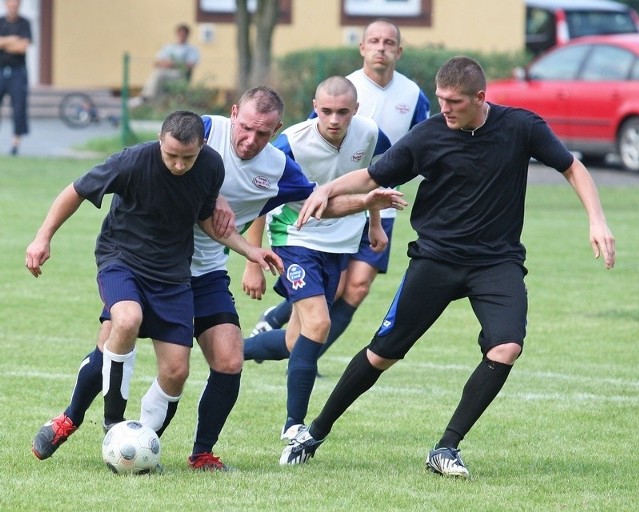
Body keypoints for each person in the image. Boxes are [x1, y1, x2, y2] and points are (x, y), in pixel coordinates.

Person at [29, 90, 403, 471]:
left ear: (277, 130)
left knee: (226, 359)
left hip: (204, 270)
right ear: (233, 114)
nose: (250, 140)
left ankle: (189, 451)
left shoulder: (277, 166)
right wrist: (215, 194)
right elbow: (177, 153)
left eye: (263, 133)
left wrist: (365, 203)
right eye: (245, 128)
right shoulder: (203, 132)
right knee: (113, 338)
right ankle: (70, 418)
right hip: (142, 261)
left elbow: (317, 204)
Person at [279, 56, 616, 476]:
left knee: (506, 346)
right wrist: (326, 189)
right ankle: (316, 431)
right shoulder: (428, 136)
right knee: (383, 354)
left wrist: (597, 219)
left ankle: (446, 448)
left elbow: (572, 167)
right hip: (436, 259)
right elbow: (371, 175)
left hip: (497, 261)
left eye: (454, 101)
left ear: (480, 97)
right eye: (440, 99)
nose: (445, 109)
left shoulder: (520, 126)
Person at [26, 110, 283, 468]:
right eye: (171, 155)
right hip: (122, 260)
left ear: (203, 146)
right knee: (125, 320)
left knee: (177, 371)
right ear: (161, 141)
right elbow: (76, 190)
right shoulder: (132, 161)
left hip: (174, 275)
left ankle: (137, 445)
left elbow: (206, 218)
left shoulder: (210, 167)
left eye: (187, 157)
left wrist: (250, 250)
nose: (179, 165)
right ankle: (109, 423)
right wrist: (43, 238)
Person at [250, 18, 429, 366]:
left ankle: (309, 356)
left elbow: (420, 145)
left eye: (388, 42)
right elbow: (308, 144)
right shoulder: (342, 89)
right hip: (330, 205)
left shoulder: (413, 95)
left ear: (399, 51)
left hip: (379, 203)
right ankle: (286, 324)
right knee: (332, 288)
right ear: (362, 48)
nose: (381, 47)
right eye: (373, 41)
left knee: (357, 287)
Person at [242, 76, 392, 448]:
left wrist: (375, 224)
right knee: (319, 323)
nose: (334, 119)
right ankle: (294, 425)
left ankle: (233, 349)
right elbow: (262, 199)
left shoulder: (372, 135)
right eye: (326, 111)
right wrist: (252, 261)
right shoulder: (290, 143)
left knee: (297, 340)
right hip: (294, 238)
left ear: (356, 110)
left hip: (339, 245)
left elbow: (377, 182)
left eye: (343, 112)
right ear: (314, 107)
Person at [135, 23, 199, 103]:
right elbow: (156, 63)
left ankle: (147, 97)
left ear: (187, 35)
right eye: (180, 33)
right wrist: (166, 64)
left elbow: (190, 65)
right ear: (177, 34)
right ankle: (148, 98)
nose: (182, 36)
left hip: (180, 75)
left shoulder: (191, 49)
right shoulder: (168, 47)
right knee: (158, 74)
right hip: (166, 72)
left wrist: (173, 64)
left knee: (159, 75)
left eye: (184, 34)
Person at [0, 0, 31, 156]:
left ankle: (15, 144)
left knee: (19, 108)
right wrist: (13, 39)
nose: (13, 7)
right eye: (10, 4)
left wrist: (5, 42)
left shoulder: (24, 23)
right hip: (0, 70)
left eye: (16, 4)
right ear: (6, 5)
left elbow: (22, 47)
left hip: (18, 72)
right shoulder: (1, 22)